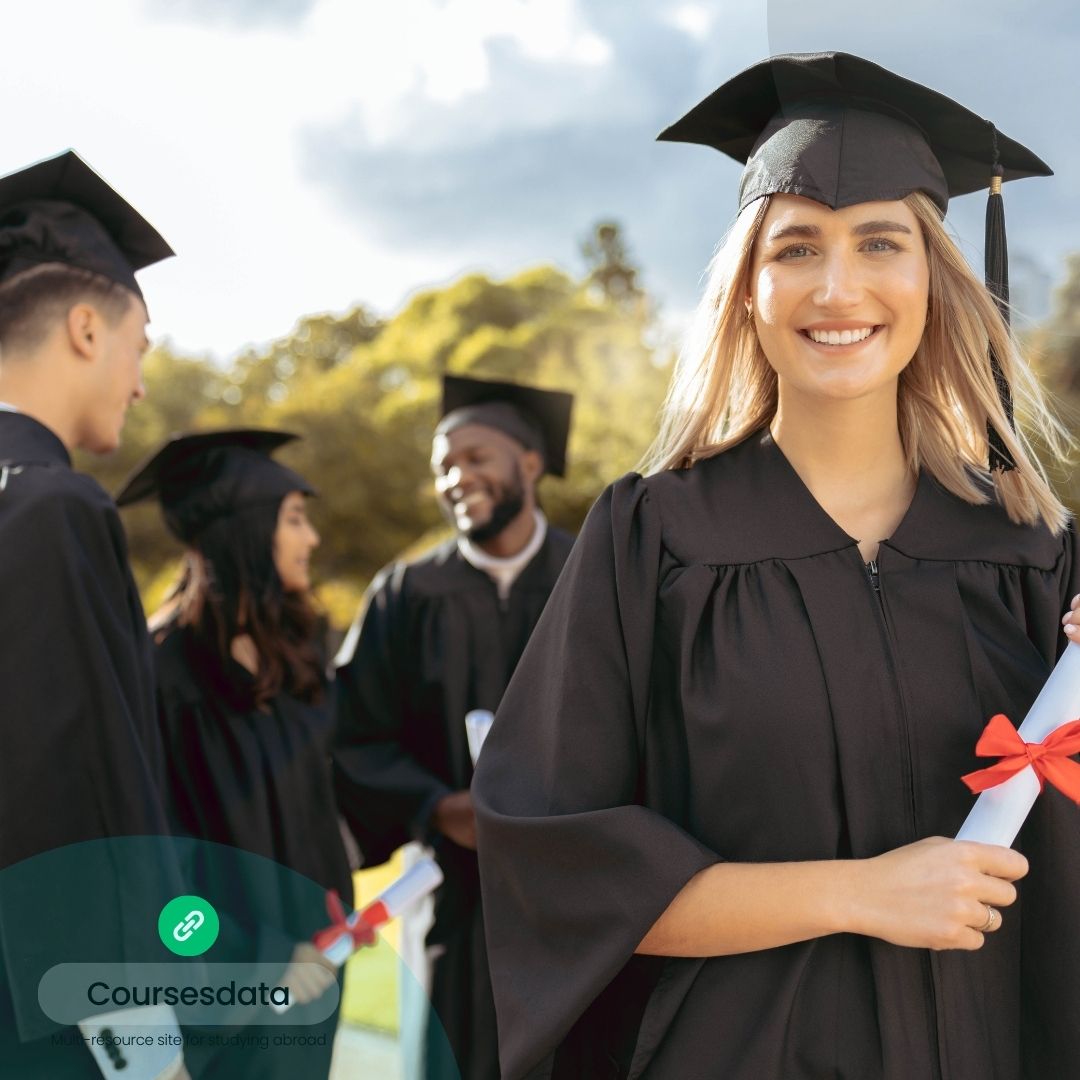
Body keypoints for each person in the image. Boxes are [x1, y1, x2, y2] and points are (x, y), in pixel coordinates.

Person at [473, 52, 1080, 1080]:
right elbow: (555, 860)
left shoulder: (1030, 554)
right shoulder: (656, 540)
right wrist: (856, 892)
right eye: (796, 248)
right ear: (747, 292)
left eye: (881, 242)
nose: (837, 287)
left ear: (933, 276)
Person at [0, 150, 192, 1079]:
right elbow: (83, 795)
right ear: (85, 326)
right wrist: (143, 1045)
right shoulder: (51, 507)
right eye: (139, 345)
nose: (141, 381)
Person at [333, 374, 575, 1080]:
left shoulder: (594, 575)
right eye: (444, 464)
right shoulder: (406, 595)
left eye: (476, 457)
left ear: (529, 463)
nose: (456, 476)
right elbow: (354, 734)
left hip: (576, 878)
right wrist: (438, 805)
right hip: (454, 888)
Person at [115, 429, 355, 1080]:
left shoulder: (296, 658)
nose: (310, 539)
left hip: (317, 977)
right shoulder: (159, 676)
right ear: (246, 529)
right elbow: (153, 867)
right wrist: (266, 958)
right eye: (295, 520)